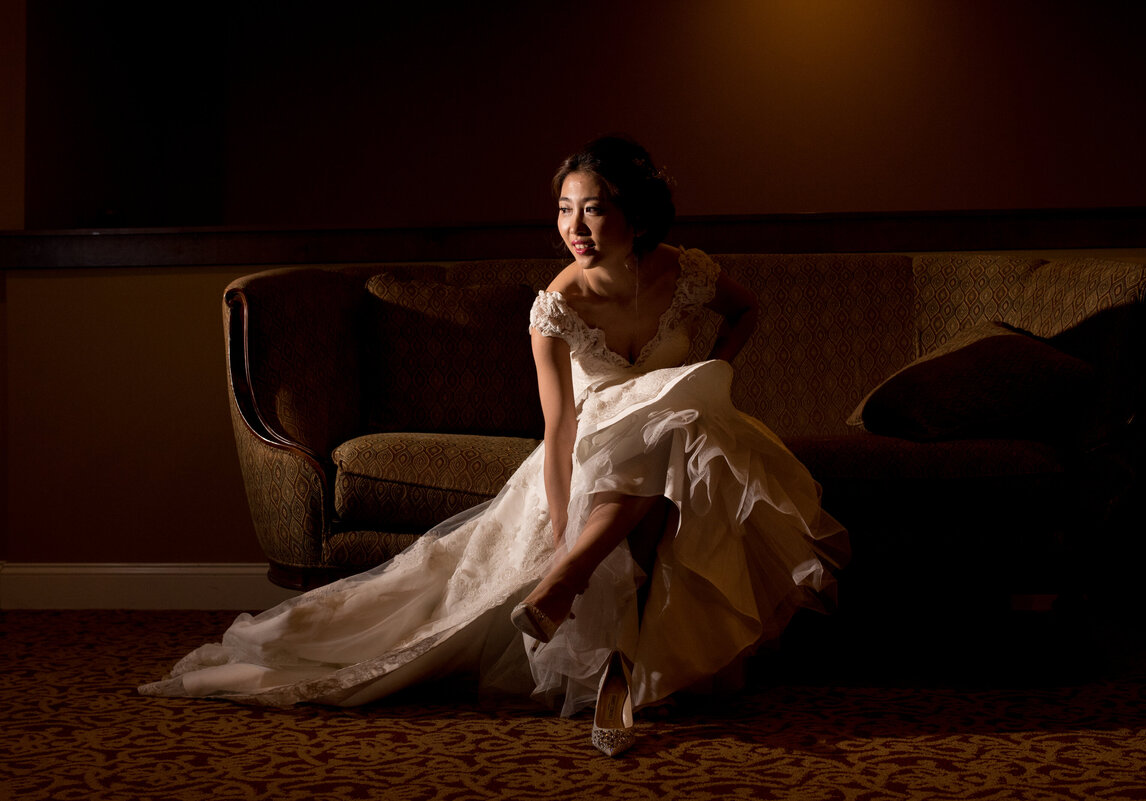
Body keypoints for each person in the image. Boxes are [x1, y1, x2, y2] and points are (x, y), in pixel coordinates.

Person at [139, 136, 848, 757]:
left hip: (691, 435)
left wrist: (713, 368)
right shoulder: (555, 306)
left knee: (683, 422)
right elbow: (562, 428)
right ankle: (584, 587)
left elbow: (748, 307)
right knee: (661, 439)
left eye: (593, 207)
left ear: (634, 207)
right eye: (565, 209)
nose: (574, 226)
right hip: (596, 451)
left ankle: (590, 605)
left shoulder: (687, 270)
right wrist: (563, 520)